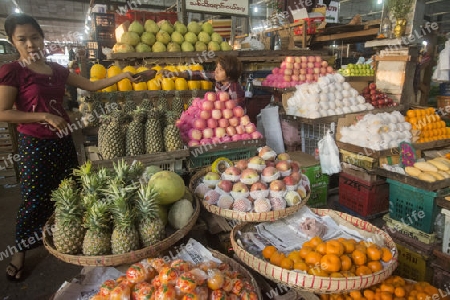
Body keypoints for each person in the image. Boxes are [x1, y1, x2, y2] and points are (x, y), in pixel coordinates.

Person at [0, 13, 139, 282]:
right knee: (33, 198)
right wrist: (43, 116)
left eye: (35, 37)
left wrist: (126, 74)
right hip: (34, 144)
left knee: (70, 191)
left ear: (42, 37)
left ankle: (68, 238)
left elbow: (93, 85)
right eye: (23, 39)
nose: (31, 44)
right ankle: (20, 254)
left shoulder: (56, 70)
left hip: (63, 141)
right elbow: (3, 112)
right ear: (12, 41)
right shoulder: (13, 71)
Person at [163, 55, 246, 108]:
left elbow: (238, 111)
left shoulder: (234, 90)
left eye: (220, 69)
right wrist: (174, 74)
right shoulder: (219, 78)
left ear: (229, 75)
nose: (216, 71)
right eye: (216, 67)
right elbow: (198, 74)